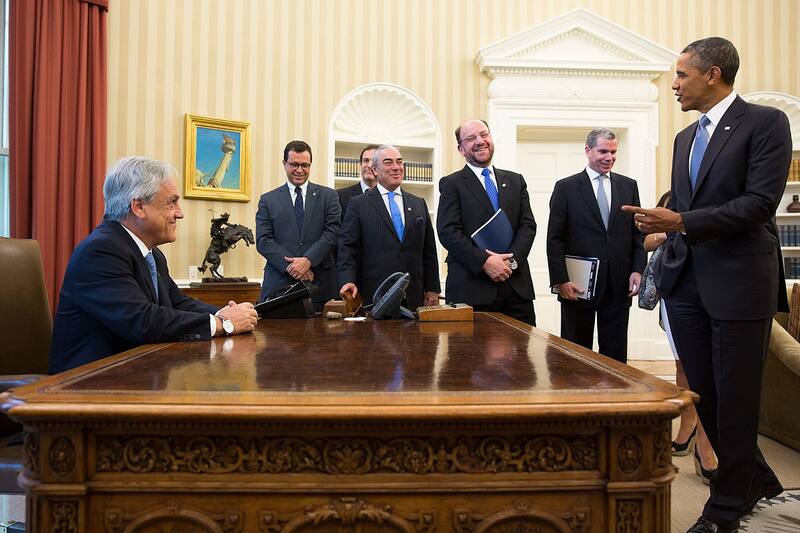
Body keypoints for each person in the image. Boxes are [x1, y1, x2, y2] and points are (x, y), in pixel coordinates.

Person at [622, 37, 792, 533]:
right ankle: (759, 483)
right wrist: (660, 224)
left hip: (740, 282)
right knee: (707, 399)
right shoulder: (684, 138)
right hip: (686, 284)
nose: (673, 84)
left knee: (736, 399)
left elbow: (760, 204)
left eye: (680, 75)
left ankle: (725, 507)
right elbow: (687, 206)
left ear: (712, 74)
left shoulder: (765, 123)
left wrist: (679, 221)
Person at [49, 156, 258, 374]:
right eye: (172, 202)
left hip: (137, 374)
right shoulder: (101, 251)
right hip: (88, 385)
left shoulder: (152, 253)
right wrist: (222, 323)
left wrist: (225, 313)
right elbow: (142, 321)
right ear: (139, 206)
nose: (180, 213)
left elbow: (177, 303)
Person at [546, 128, 645, 363]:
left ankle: (615, 398)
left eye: (613, 152)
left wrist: (638, 269)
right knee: (575, 355)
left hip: (618, 284)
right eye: (603, 151)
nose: (609, 157)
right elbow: (554, 238)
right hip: (578, 286)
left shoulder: (628, 186)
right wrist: (560, 281)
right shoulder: (566, 187)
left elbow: (636, 234)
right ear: (588, 151)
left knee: (615, 355)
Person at [645, 191, 718, 484]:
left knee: (707, 370)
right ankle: (687, 427)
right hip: (676, 292)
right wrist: (670, 230)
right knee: (683, 367)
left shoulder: (716, 203)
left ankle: (706, 442)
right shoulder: (670, 200)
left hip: (713, 288)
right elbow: (648, 241)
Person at [437, 119, 537, 325]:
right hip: (472, 290)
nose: (480, 141)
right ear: (461, 148)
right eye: (471, 138)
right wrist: (484, 262)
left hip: (516, 287)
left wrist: (511, 261)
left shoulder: (516, 181)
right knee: (472, 357)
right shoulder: (451, 184)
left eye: (484, 134)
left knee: (522, 356)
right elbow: (448, 232)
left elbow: (528, 226)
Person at [338, 144, 440, 310]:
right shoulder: (358, 204)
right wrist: (347, 280)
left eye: (399, 162)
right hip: (375, 292)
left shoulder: (419, 203)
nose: (396, 167)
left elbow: (429, 251)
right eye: (388, 162)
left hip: (415, 294)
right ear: (375, 170)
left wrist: (432, 288)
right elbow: (348, 247)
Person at [256, 140, 341, 310]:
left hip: (320, 283)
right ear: (284, 164)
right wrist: (292, 267)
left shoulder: (329, 196)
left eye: (305, 165)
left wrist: (309, 260)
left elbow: (332, 233)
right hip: (279, 284)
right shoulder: (268, 200)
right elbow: (264, 241)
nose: (300, 170)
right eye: (294, 164)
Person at [338, 144, 379, 218]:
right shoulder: (340, 196)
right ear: (360, 165)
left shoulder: (388, 197)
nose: (369, 165)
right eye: (366, 161)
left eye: (374, 161)